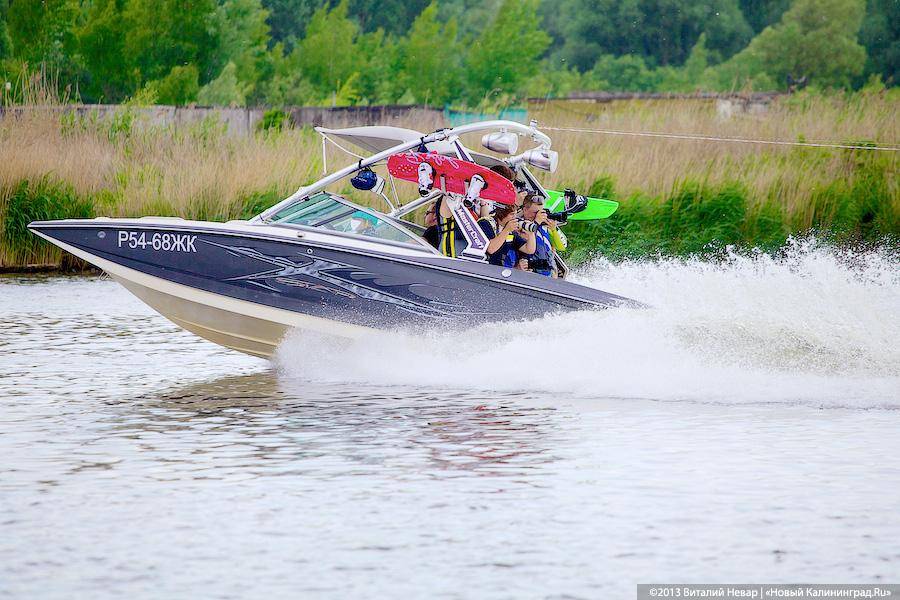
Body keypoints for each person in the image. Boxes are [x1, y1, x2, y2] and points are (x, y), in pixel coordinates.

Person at [520, 193, 565, 277]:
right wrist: (536, 222)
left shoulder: (544, 226)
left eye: (540, 212)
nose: (538, 215)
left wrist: (553, 230)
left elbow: (561, 247)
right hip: (532, 274)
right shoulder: (521, 224)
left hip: (548, 273)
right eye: (535, 212)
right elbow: (525, 236)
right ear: (525, 210)